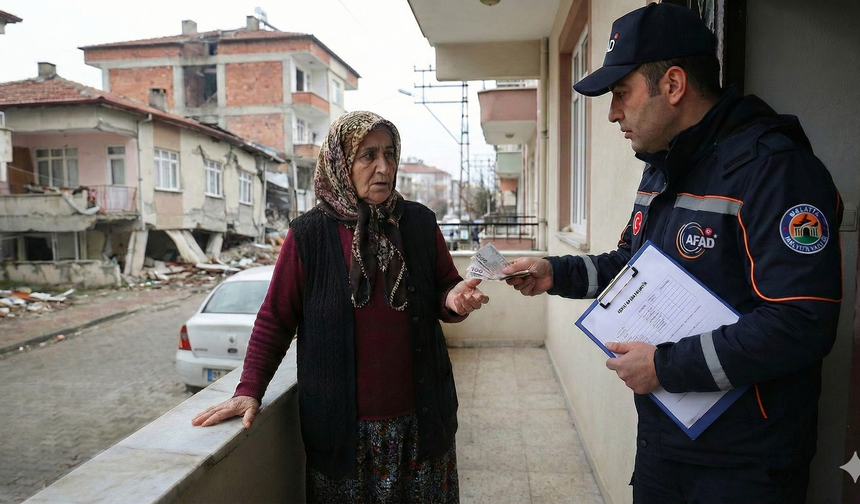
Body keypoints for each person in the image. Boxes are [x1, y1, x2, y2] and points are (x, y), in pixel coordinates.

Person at [502, 3, 843, 503]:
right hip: (665, 439)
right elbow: (630, 267)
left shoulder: (774, 171)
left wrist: (666, 367)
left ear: (674, 85)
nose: (614, 112)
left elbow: (802, 322)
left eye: (621, 93)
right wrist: (555, 271)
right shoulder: (662, 167)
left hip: (746, 461)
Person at [192, 110, 489, 503]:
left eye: (389, 154)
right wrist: (249, 389)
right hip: (344, 434)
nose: (383, 167)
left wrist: (455, 299)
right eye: (368, 156)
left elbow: (444, 287)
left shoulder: (418, 222)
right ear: (339, 163)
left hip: (422, 424)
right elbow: (274, 319)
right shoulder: (309, 235)